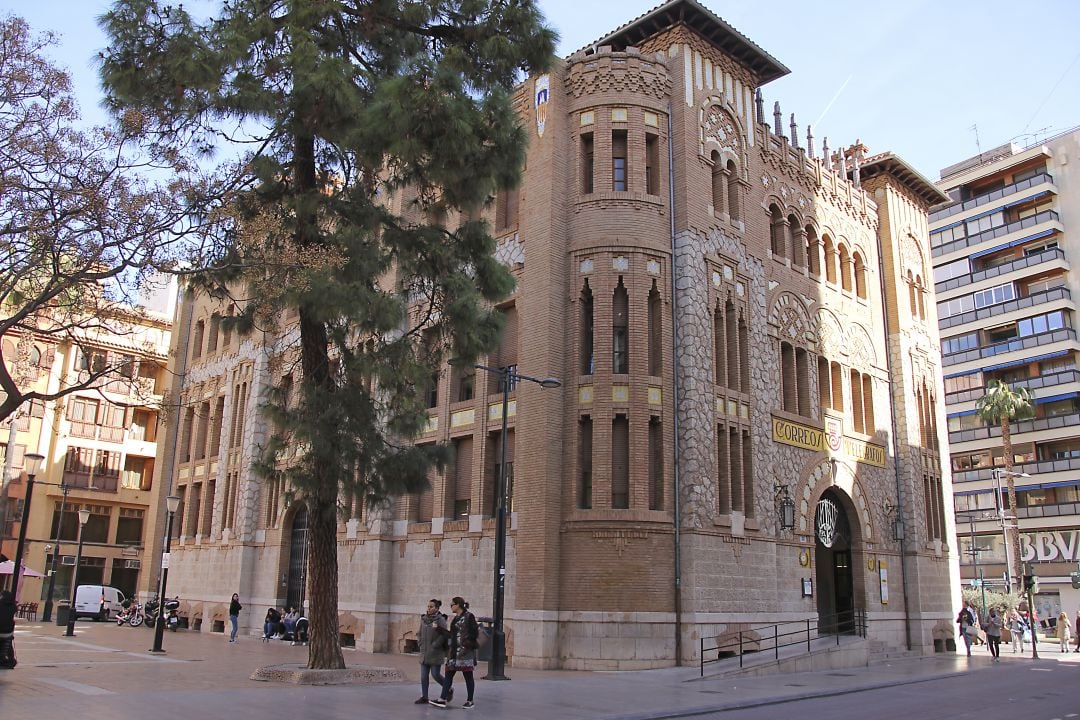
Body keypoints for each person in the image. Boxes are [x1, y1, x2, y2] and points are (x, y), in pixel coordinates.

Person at [430, 596, 479, 709]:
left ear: (458, 605)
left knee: (468, 676)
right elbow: (451, 635)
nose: (451, 607)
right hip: (453, 653)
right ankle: (442, 699)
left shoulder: (469, 616)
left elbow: (474, 633)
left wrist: (467, 643)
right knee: (448, 674)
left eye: (452, 604)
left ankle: (470, 701)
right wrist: (438, 629)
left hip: (465, 653)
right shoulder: (456, 618)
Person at [415, 599, 449, 705]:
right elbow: (419, 632)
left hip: (435, 652)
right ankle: (424, 696)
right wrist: (419, 642)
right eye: (428, 606)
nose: (429, 608)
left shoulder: (440, 619)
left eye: (431, 607)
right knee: (424, 676)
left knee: (435, 674)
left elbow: (444, 634)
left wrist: (435, 645)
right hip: (424, 651)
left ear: (437, 608)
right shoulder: (423, 619)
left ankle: (448, 688)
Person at [0, 590, 16, 669]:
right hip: (8, 632)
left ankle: (3, 659)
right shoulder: (13, 606)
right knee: (8, 645)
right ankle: (11, 661)